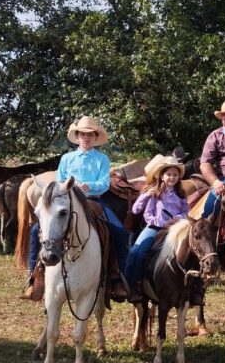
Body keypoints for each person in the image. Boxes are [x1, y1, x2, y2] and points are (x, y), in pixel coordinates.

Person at [22, 116, 132, 302]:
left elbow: (104, 183)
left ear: (95, 137)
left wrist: (88, 186)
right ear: (77, 136)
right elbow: (60, 180)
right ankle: (35, 275)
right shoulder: (67, 158)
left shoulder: (102, 159)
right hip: (67, 201)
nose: (86, 138)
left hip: (92, 200)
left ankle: (117, 276)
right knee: (35, 231)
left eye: (90, 134)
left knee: (119, 232)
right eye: (82, 134)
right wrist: (67, 188)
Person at [125, 154, 202, 304]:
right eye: (169, 174)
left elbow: (186, 212)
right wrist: (147, 196)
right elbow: (139, 211)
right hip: (155, 227)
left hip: (177, 229)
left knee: (195, 251)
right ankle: (133, 286)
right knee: (136, 252)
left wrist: (178, 218)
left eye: (175, 175)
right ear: (161, 175)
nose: (172, 178)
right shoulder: (153, 192)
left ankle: (196, 290)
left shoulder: (180, 193)